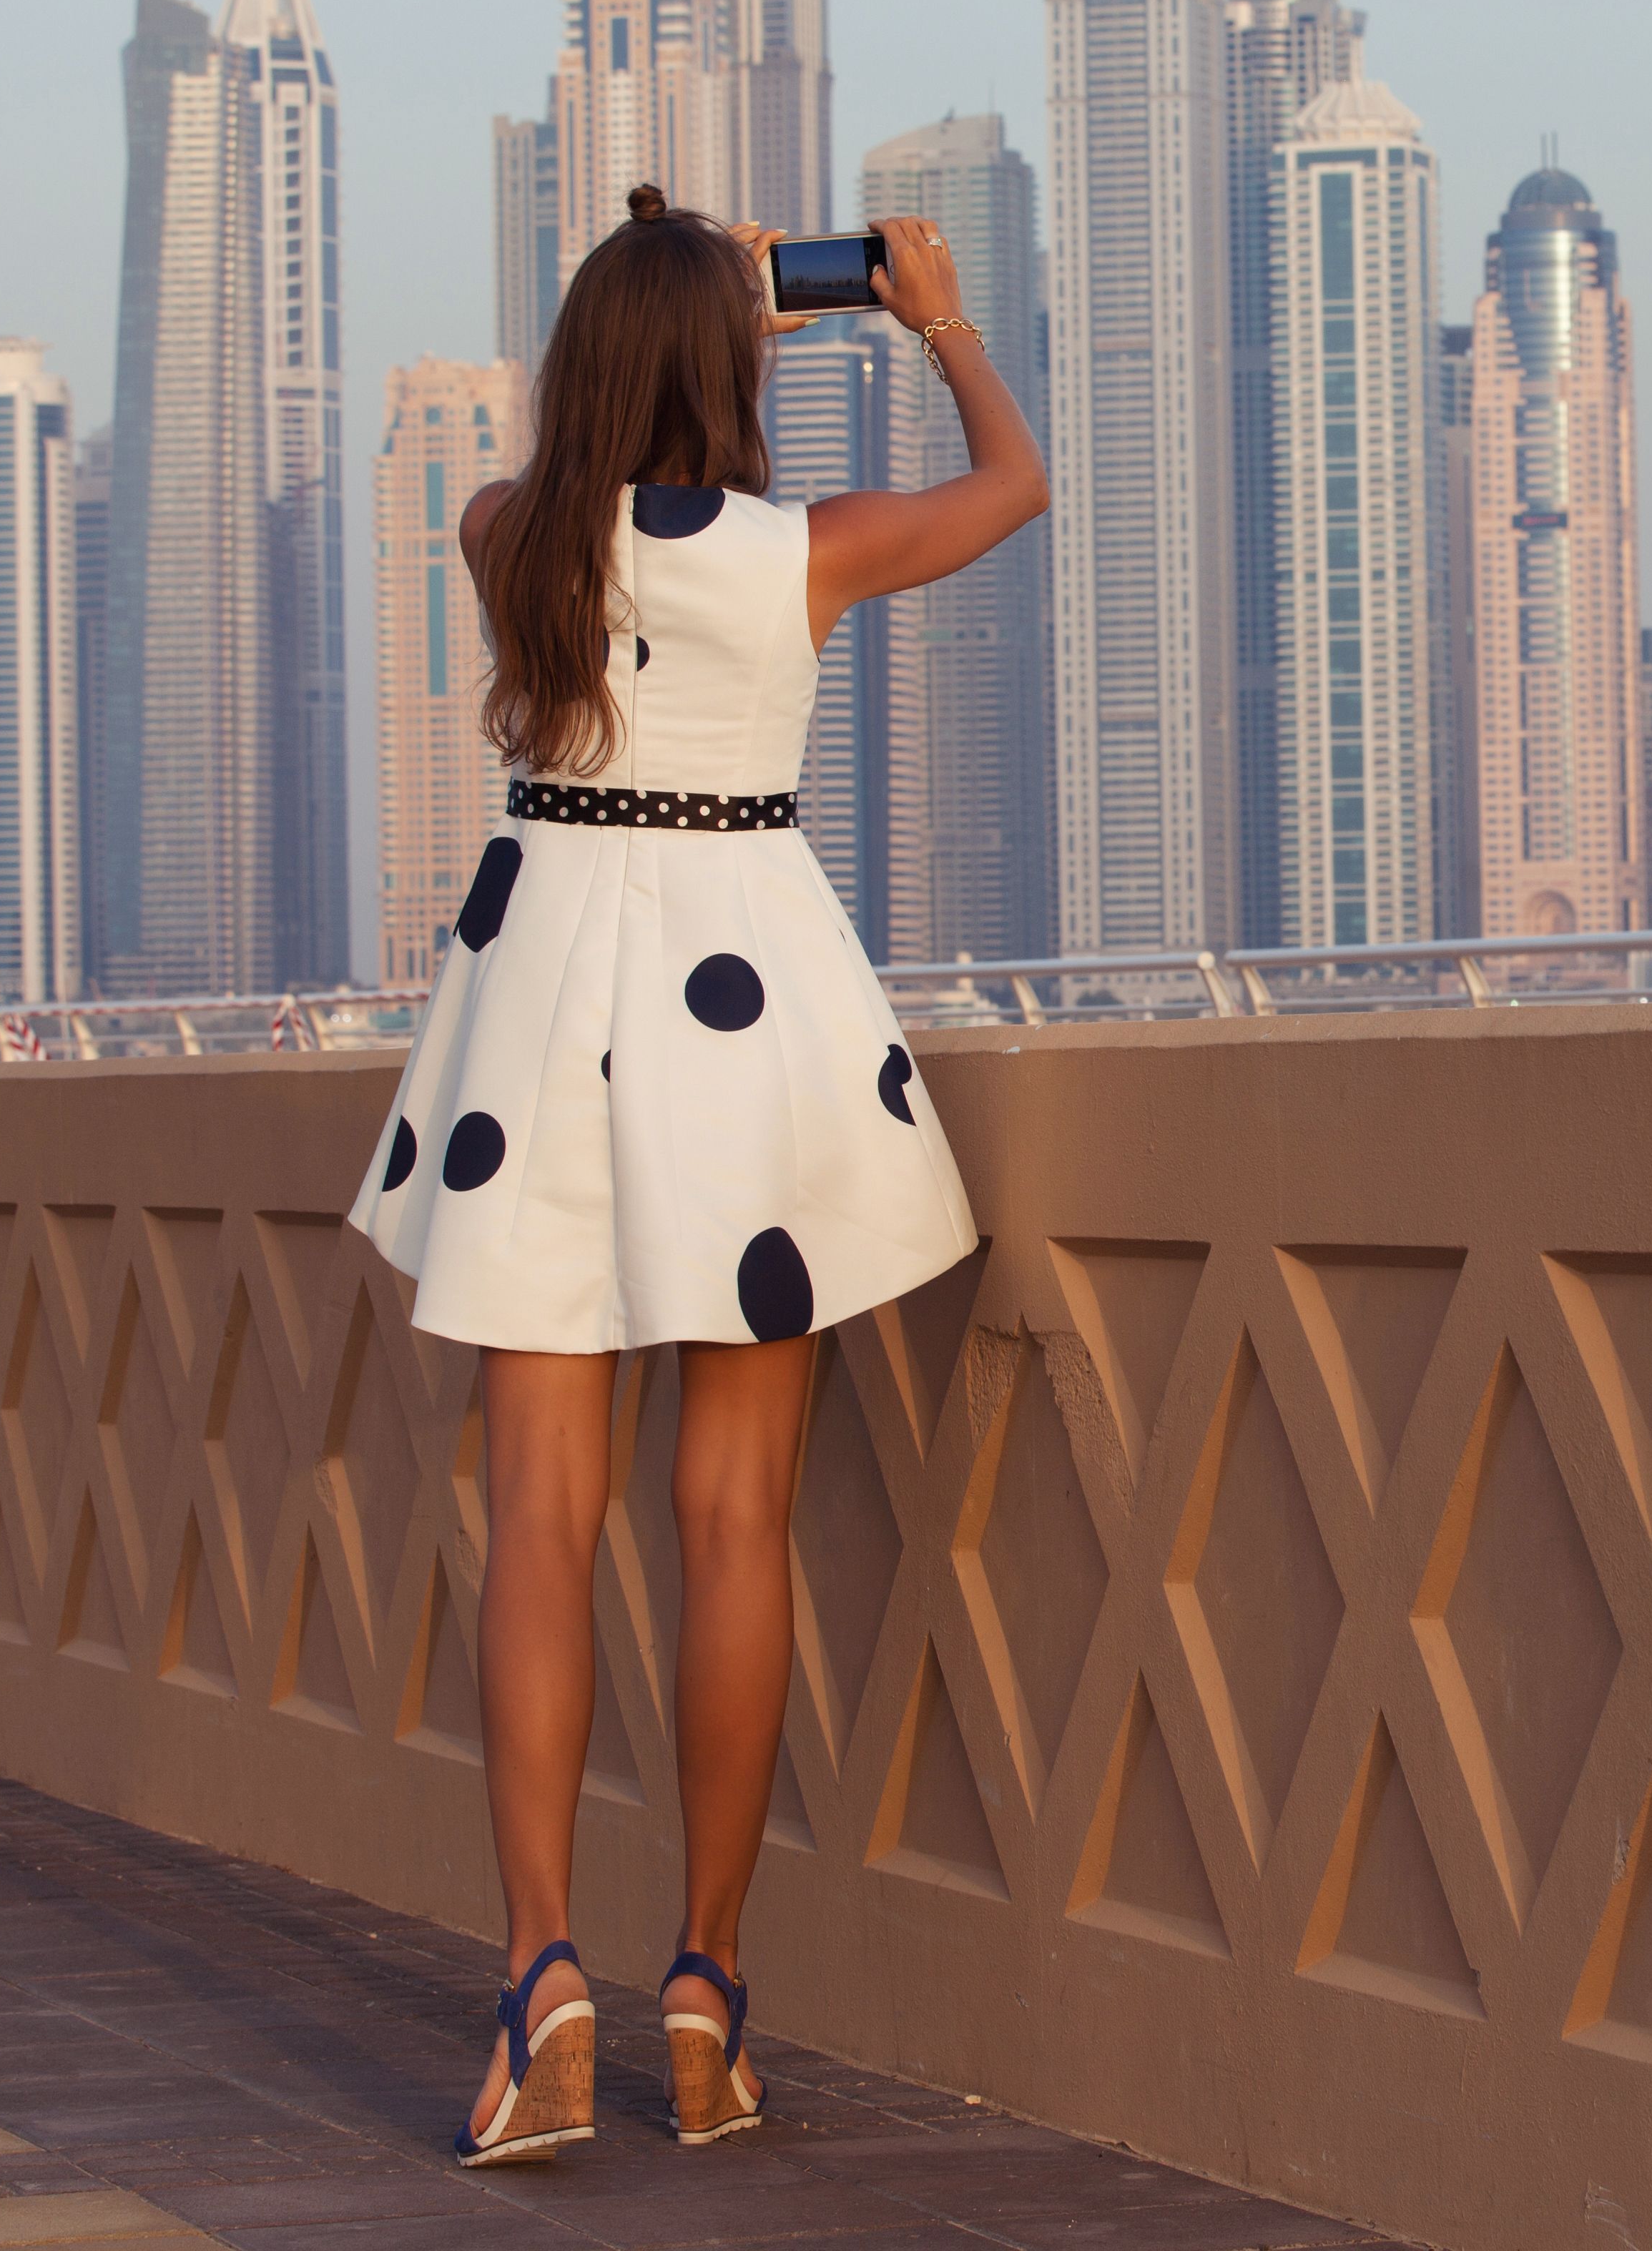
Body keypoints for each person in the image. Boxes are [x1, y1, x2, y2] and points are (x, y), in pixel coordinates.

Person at [345, 186, 1046, 2164]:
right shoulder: (796, 558)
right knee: (731, 1518)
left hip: (536, 1016)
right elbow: (1016, 487)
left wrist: (676, 320)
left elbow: (540, 488)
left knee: (543, 1523)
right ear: (741, 373)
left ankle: (537, 1972)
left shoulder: (514, 545)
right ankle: (706, 1988)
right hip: (745, 1028)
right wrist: (923, 321)